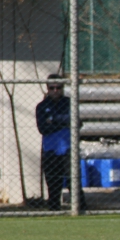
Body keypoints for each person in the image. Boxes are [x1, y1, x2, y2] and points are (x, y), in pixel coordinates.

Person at [35, 74, 70, 211]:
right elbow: (43, 128)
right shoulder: (41, 106)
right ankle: (54, 211)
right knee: (53, 186)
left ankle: (80, 210)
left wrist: (53, 119)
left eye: (58, 87)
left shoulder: (69, 103)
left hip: (68, 150)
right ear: (47, 88)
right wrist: (63, 122)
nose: (55, 90)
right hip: (50, 150)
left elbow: (75, 121)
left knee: (74, 183)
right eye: (52, 88)